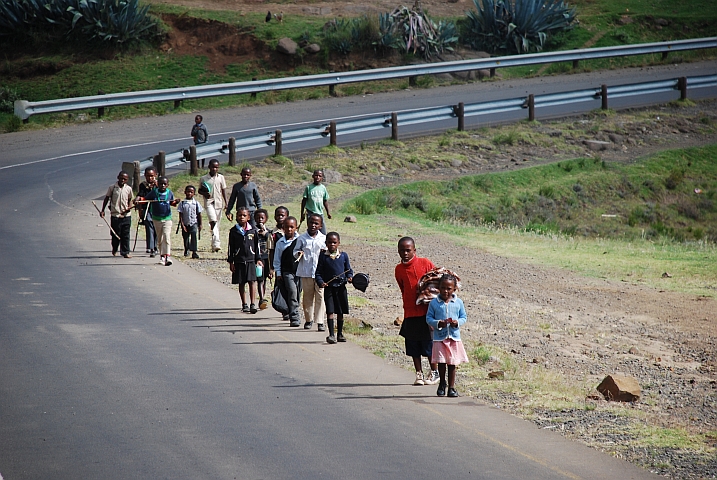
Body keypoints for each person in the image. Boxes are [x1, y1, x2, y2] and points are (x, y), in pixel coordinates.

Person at [395, 237, 440, 386]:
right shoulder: (399, 269)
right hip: (410, 311)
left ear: (414, 250)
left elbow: (435, 281)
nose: (405, 253)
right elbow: (403, 289)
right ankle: (418, 374)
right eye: (402, 250)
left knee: (428, 343)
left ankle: (434, 372)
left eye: (408, 250)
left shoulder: (425, 263)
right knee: (413, 344)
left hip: (426, 311)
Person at [426, 274, 469, 397]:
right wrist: (438, 323)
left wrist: (457, 323)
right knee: (441, 362)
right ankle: (442, 384)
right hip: (439, 338)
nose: (446, 291)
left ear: (454, 289)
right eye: (443, 288)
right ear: (438, 288)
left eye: (449, 288)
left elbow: (463, 317)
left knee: (452, 363)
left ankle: (451, 387)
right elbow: (429, 318)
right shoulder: (434, 303)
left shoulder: (458, 302)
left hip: (453, 338)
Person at [315, 232, 353, 344]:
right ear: (326, 243)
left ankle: (340, 334)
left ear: (338, 243)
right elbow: (318, 273)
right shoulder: (323, 256)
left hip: (341, 288)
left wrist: (349, 277)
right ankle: (331, 335)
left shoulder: (343, 256)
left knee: (340, 311)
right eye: (330, 242)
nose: (332, 244)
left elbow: (349, 270)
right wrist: (321, 282)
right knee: (330, 311)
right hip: (329, 288)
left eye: (334, 242)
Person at [293, 213, 327, 331]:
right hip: (306, 272)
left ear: (320, 225)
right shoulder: (302, 238)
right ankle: (308, 320)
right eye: (311, 222)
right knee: (307, 297)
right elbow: (295, 251)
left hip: (321, 273)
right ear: (307, 223)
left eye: (316, 223)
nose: (313, 225)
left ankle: (320, 321)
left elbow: (328, 253)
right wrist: (298, 254)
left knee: (320, 297)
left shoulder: (323, 239)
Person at [228, 207, 262, 314]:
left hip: (251, 260)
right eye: (239, 215)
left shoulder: (253, 230)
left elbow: (257, 246)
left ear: (248, 217)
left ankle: (253, 304)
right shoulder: (234, 231)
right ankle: (244, 304)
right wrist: (231, 262)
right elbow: (230, 247)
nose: (242, 217)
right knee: (241, 282)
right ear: (236, 217)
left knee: (252, 281)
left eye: (244, 215)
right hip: (239, 261)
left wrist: (258, 259)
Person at [143, 176, 178, 266]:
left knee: (167, 237)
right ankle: (162, 256)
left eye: (164, 184)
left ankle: (168, 256)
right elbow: (145, 199)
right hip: (156, 219)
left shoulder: (169, 193)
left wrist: (176, 202)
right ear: (157, 184)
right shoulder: (154, 192)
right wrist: (138, 200)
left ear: (167, 185)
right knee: (160, 238)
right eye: (161, 183)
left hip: (167, 218)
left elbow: (172, 203)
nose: (162, 185)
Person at [273, 216, 302, 327]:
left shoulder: (300, 240)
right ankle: (294, 317)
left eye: (292, 227)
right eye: (287, 227)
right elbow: (277, 259)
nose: (289, 229)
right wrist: (278, 273)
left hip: (300, 272)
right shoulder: (280, 242)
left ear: (296, 227)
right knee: (292, 292)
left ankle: (291, 310)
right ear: (283, 228)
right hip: (287, 272)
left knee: (297, 293)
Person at [100, 171, 134, 258]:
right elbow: (107, 198)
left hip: (126, 215)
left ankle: (125, 252)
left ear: (127, 180)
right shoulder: (112, 188)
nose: (122, 180)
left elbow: (130, 200)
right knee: (115, 234)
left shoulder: (129, 189)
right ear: (118, 177)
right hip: (116, 215)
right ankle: (115, 248)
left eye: (125, 179)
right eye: (121, 178)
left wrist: (128, 208)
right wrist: (102, 210)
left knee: (125, 234)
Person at [199, 159, 228, 252]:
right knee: (213, 221)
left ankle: (213, 243)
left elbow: (223, 190)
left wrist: (226, 203)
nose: (214, 169)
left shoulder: (221, 177)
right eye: (213, 167)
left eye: (216, 167)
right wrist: (204, 193)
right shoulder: (204, 178)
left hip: (218, 203)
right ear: (209, 167)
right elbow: (199, 190)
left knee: (216, 224)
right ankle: (217, 244)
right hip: (209, 203)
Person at [269, 206, 289, 321]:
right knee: (281, 287)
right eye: (278, 215)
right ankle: (284, 310)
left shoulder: (293, 231)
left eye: (283, 215)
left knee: (292, 288)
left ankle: (292, 309)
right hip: (279, 266)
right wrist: (271, 268)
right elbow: (271, 252)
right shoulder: (273, 234)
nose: (280, 217)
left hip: (291, 266)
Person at [135, 167, 158, 257]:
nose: (150, 178)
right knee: (149, 228)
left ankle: (156, 246)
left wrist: (156, 186)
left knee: (157, 229)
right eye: (148, 176)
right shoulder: (143, 185)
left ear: (155, 175)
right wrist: (137, 199)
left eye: (152, 176)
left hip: (157, 210)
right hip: (147, 209)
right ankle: (151, 247)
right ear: (145, 176)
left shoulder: (159, 185)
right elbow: (141, 195)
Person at [300, 169, 331, 235]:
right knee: (311, 231)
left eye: (320, 176)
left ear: (322, 178)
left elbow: (325, 200)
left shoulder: (323, 188)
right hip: (310, 212)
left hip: (320, 213)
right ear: (313, 176)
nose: (318, 177)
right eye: (316, 175)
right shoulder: (308, 188)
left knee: (323, 232)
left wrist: (328, 212)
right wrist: (302, 214)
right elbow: (304, 201)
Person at [177, 185, 203, 259]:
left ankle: (194, 251)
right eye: (188, 192)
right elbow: (180, 215)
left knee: (194, 235)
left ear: (194, 193)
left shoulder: (196, 203)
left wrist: (200, 224)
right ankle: (186, 249)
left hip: (193, 223)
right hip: (185, 223)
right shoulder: (182, 203)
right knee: (185, 237)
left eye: (191, 192)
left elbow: (199, 214)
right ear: (185, 192)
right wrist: (182, 225)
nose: (189, 193)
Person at [254, 209, 270, 309]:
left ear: (266, 219)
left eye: (262, 218)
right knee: (259, 279)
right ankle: (261, 298)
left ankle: (262, 298)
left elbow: (272, 242)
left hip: (267, 258)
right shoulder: (253, 231)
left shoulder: (268, 231)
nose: (260, 219)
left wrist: (266, 233)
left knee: (265, 279)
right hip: (258, 259)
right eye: (258, 218)